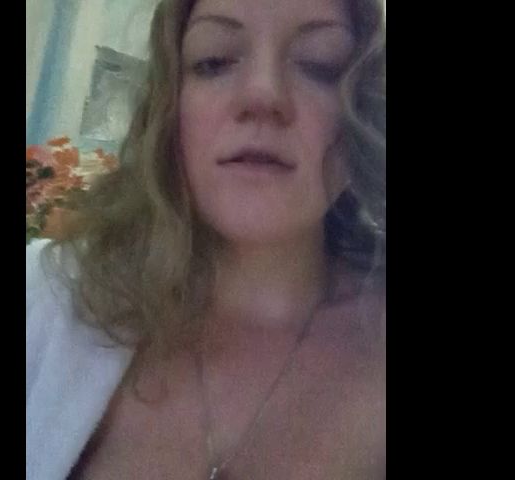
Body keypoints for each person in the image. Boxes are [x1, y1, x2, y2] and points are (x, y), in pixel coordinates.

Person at [26, 0, 385, 478]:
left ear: (362, 114)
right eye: (213, 62)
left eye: (321, 66)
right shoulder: (44, 297)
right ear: (169, 105)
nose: (263, 95)